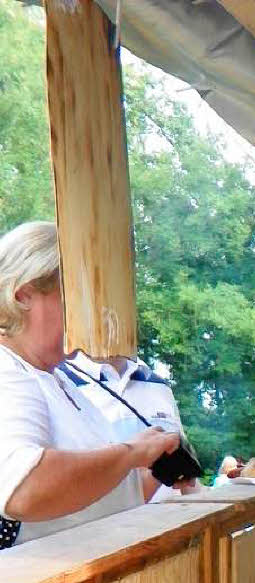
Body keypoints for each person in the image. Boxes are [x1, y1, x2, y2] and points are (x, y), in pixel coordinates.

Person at [0, 221, 181, 546]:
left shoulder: (58, 380)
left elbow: (105, 496)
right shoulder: (7, 368)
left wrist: (159, 463)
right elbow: (24, 490)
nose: (85, 319)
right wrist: (130, 452)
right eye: (73, 302)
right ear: (22, 295)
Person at [61, 349, 186, 501]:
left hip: (175, 521)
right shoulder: (57, 381)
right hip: (102, 523)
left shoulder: (159, 385)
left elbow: (185, 482)